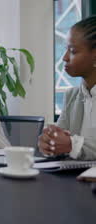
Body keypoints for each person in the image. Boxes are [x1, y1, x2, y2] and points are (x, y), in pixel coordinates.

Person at [38, 16, 96, 159]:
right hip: (75, 178)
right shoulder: (72, 95)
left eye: (73, 51)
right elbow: (60, 142)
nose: (64, 57)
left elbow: (71, 145)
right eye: (66, 50)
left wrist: (72, 145)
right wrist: (50, 143)